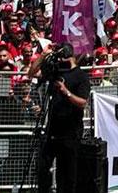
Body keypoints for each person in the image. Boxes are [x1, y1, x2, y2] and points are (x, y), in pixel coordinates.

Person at [28, 42, 91, 193]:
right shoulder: (56, 72)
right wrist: (44, 55)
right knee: (42, 168)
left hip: (71, 132)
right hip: (52, 129)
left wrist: (65, 92)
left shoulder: (81, 76)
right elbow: (32, 72)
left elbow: (83, 103)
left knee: (67, 173)